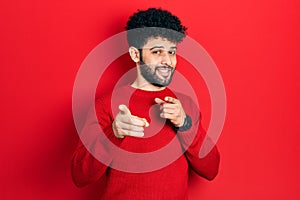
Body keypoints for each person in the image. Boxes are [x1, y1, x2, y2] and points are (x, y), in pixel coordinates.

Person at [71, 7, 220, 200]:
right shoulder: (105, 104)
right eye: (157, 51)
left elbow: (211, 169)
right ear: (135, 54)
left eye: (172, 52)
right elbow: (79, 175)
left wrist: (185, 124)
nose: (168, 60)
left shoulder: (185, 105)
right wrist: (113, 133)